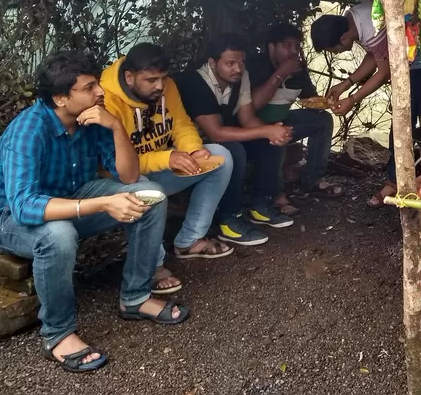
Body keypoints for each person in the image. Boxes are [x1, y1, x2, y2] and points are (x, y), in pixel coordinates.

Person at [0, 51, 188, 374]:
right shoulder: (29, 130)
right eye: (90, 87)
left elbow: (129, 178)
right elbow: (24, 204)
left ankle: (135, 297)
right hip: (9, 220)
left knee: (151, 197)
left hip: (71, 197)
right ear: (61, 98)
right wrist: (103, 204)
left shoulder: (94, 118)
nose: (101, 92)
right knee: (58, 234)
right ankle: (58, 333)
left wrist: (117, 127)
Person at [102, 45, 262, 274]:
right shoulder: (108, 101)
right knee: (144, 187)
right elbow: (118, 166)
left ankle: (190, 240)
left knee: (221, 157)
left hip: (162, 164)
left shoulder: (167, 87)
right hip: (122, 180)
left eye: (163, 78)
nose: (160, 86)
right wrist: (167, 158)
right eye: (151, 80)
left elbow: (181, 124)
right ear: (129, 77)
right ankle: (152, 265)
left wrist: (194, 149)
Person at [310, 2, 421, 208]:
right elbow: (376, 55)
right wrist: (345, 84)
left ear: (343, 38)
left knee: (420, 123)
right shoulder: (351, 18)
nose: (336, 54)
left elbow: (383, 72)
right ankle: (402, 180)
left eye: (334, 50)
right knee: (405, 123)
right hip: (413, 55)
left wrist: (351, 99)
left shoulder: (370, 27)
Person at [176, 33, 296, 230]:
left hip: (221, 137)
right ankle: (228, 218)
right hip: (195, 147)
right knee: (234, 150)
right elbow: (216, 133)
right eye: (230, 63)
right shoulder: (195, 82)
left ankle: (260, 205)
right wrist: (266, 130)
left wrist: (274, 133)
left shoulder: (241, 77)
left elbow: (247, 119)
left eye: (241, 62)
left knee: (268, 143)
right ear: (213, 63)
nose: (238, 69)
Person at [249, 23, 342, 203]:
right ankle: (275, 194)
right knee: (278, 137)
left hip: (282, 120)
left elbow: (312, 99)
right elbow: (255, 104)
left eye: (297, 46)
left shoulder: (298, 71)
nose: (293, 51)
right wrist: (281, 74)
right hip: (255, 127)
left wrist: (328, 103)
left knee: (322, 121)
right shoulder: (256, 66)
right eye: (287, 45)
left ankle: (313, 179)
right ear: (272, 47)